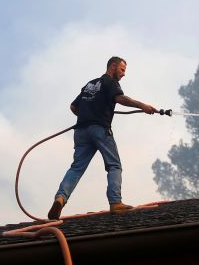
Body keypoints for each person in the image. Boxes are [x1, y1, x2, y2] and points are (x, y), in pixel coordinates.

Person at [48, 56, 157, 219]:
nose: (124, 74)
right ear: (112, 67)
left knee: (77, 167)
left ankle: (60, 198)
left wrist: (88, 115)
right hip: (100, 130)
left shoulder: (89, 84)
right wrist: (143, 106)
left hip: (81, 132)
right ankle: (115, 203)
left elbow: (73, 106)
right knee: (114, 165)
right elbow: (120, 98)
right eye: (122, 70)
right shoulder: (110, 82)